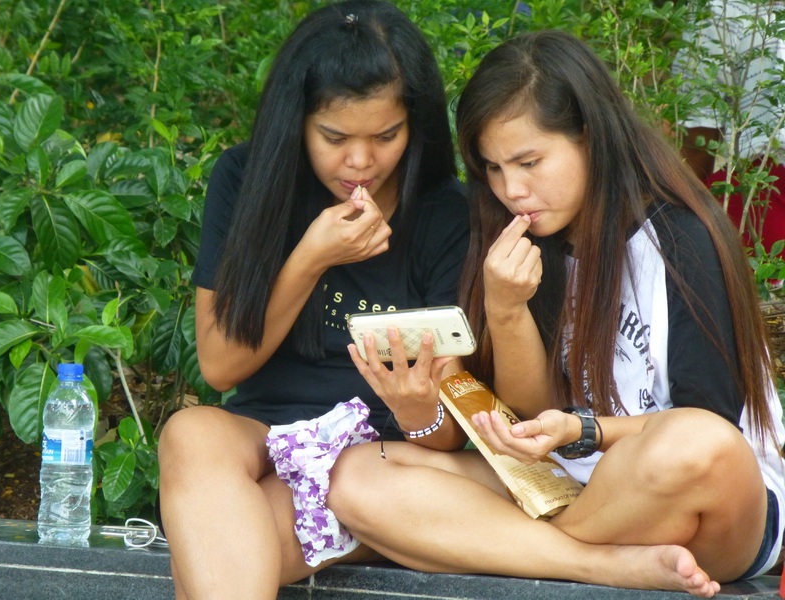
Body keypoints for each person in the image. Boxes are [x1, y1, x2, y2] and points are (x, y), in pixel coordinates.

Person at [328, 30, 785, 598]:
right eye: (492, 169)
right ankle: (600, 565)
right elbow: (529, 415)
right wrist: (506, 308)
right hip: (564, 487)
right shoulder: (518, 240)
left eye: (529, 161)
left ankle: (519, 547)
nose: (512, 189)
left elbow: (713, 428)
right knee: (355, 476)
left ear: (590, 138)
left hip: (704, 502)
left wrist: (585, 431)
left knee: (693, 443)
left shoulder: (681, 238)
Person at [157, 2, 470, 598]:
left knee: (215, 555)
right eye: (334, 137)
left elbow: (446, 431)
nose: (360, 162)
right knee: (191, 431)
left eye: (386, 136)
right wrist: (311, 257)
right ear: (295, 123)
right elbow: (222, 366)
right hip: (265, 438)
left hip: (373, 461)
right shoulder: (245, 182)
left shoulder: (443, 213)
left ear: (416, 124)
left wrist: (416, 409)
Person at [675, 0, 785, 256]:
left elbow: (699, 127)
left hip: (765, 200)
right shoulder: (720, 8)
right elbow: (701, 123)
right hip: (766, 195)